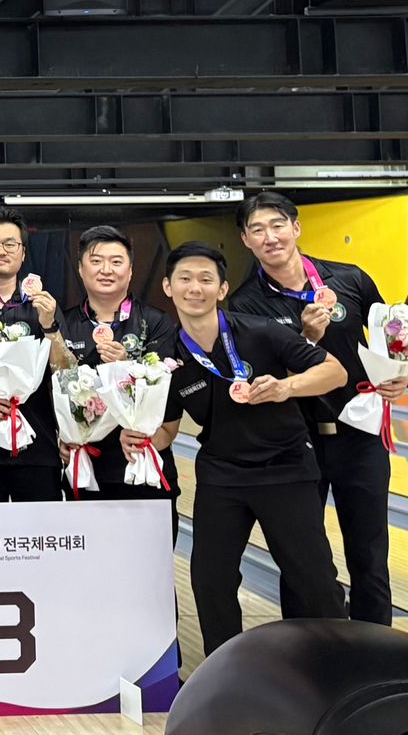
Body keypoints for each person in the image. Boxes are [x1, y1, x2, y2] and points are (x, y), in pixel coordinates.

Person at [155, 242, 347, 655]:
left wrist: (286, 387)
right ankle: (226, 674)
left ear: (222, 289)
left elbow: (334, 371)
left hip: (286, 469)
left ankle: (337, 669)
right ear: (168, 287)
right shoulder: (167, 357)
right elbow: (167, 428)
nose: (195, 288)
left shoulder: (262, 331)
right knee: (210, 581)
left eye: (206, 279)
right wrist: (132, 440)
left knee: (314, 581)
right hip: (222, 476)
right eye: (184, 279)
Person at [226, 191, 401, 627]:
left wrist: (399, 374)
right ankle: (305, 653)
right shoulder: (246, 304)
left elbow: (390, 336)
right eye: (257, 230)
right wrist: (306, 341)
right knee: (301, 560)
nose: (270, 237)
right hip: (295, 443)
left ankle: (376, 653)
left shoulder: (349, 279)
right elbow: (265, 378)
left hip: (360, 437)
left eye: (277, 225)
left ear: (296, 227)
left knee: (369, 556)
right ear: (246, 240)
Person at [58, 225, 180, 524]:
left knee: (150, 552)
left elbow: (166, 391)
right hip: (87, 468)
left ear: (130, 270)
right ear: (81, 269)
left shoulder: (155, 322)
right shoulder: (65, 324)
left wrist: (128, 367)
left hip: (142, 465)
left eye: (116, 261)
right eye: (96, 261)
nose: (106, 270)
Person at [0, 205, 63, 503]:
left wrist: (50, 325)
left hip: (38, 447)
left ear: (23, 253)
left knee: (40, 531)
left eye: (10, 244)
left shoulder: (43, 305)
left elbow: (65, 371)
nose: (0, 251)